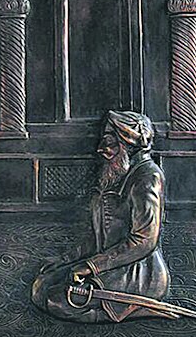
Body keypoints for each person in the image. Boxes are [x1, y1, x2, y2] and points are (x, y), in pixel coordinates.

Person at [31, 110, 171, 322]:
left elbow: (144, 240)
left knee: (57, 301)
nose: (100, 149)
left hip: (137, 273)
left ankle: (134, 308)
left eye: (109, 142)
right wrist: (65, 260)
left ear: (129, 144)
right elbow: (98, 235)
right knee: (41, 286)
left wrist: (91, 266)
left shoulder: (147, 176)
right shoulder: (117, 173)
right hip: (109, 265)